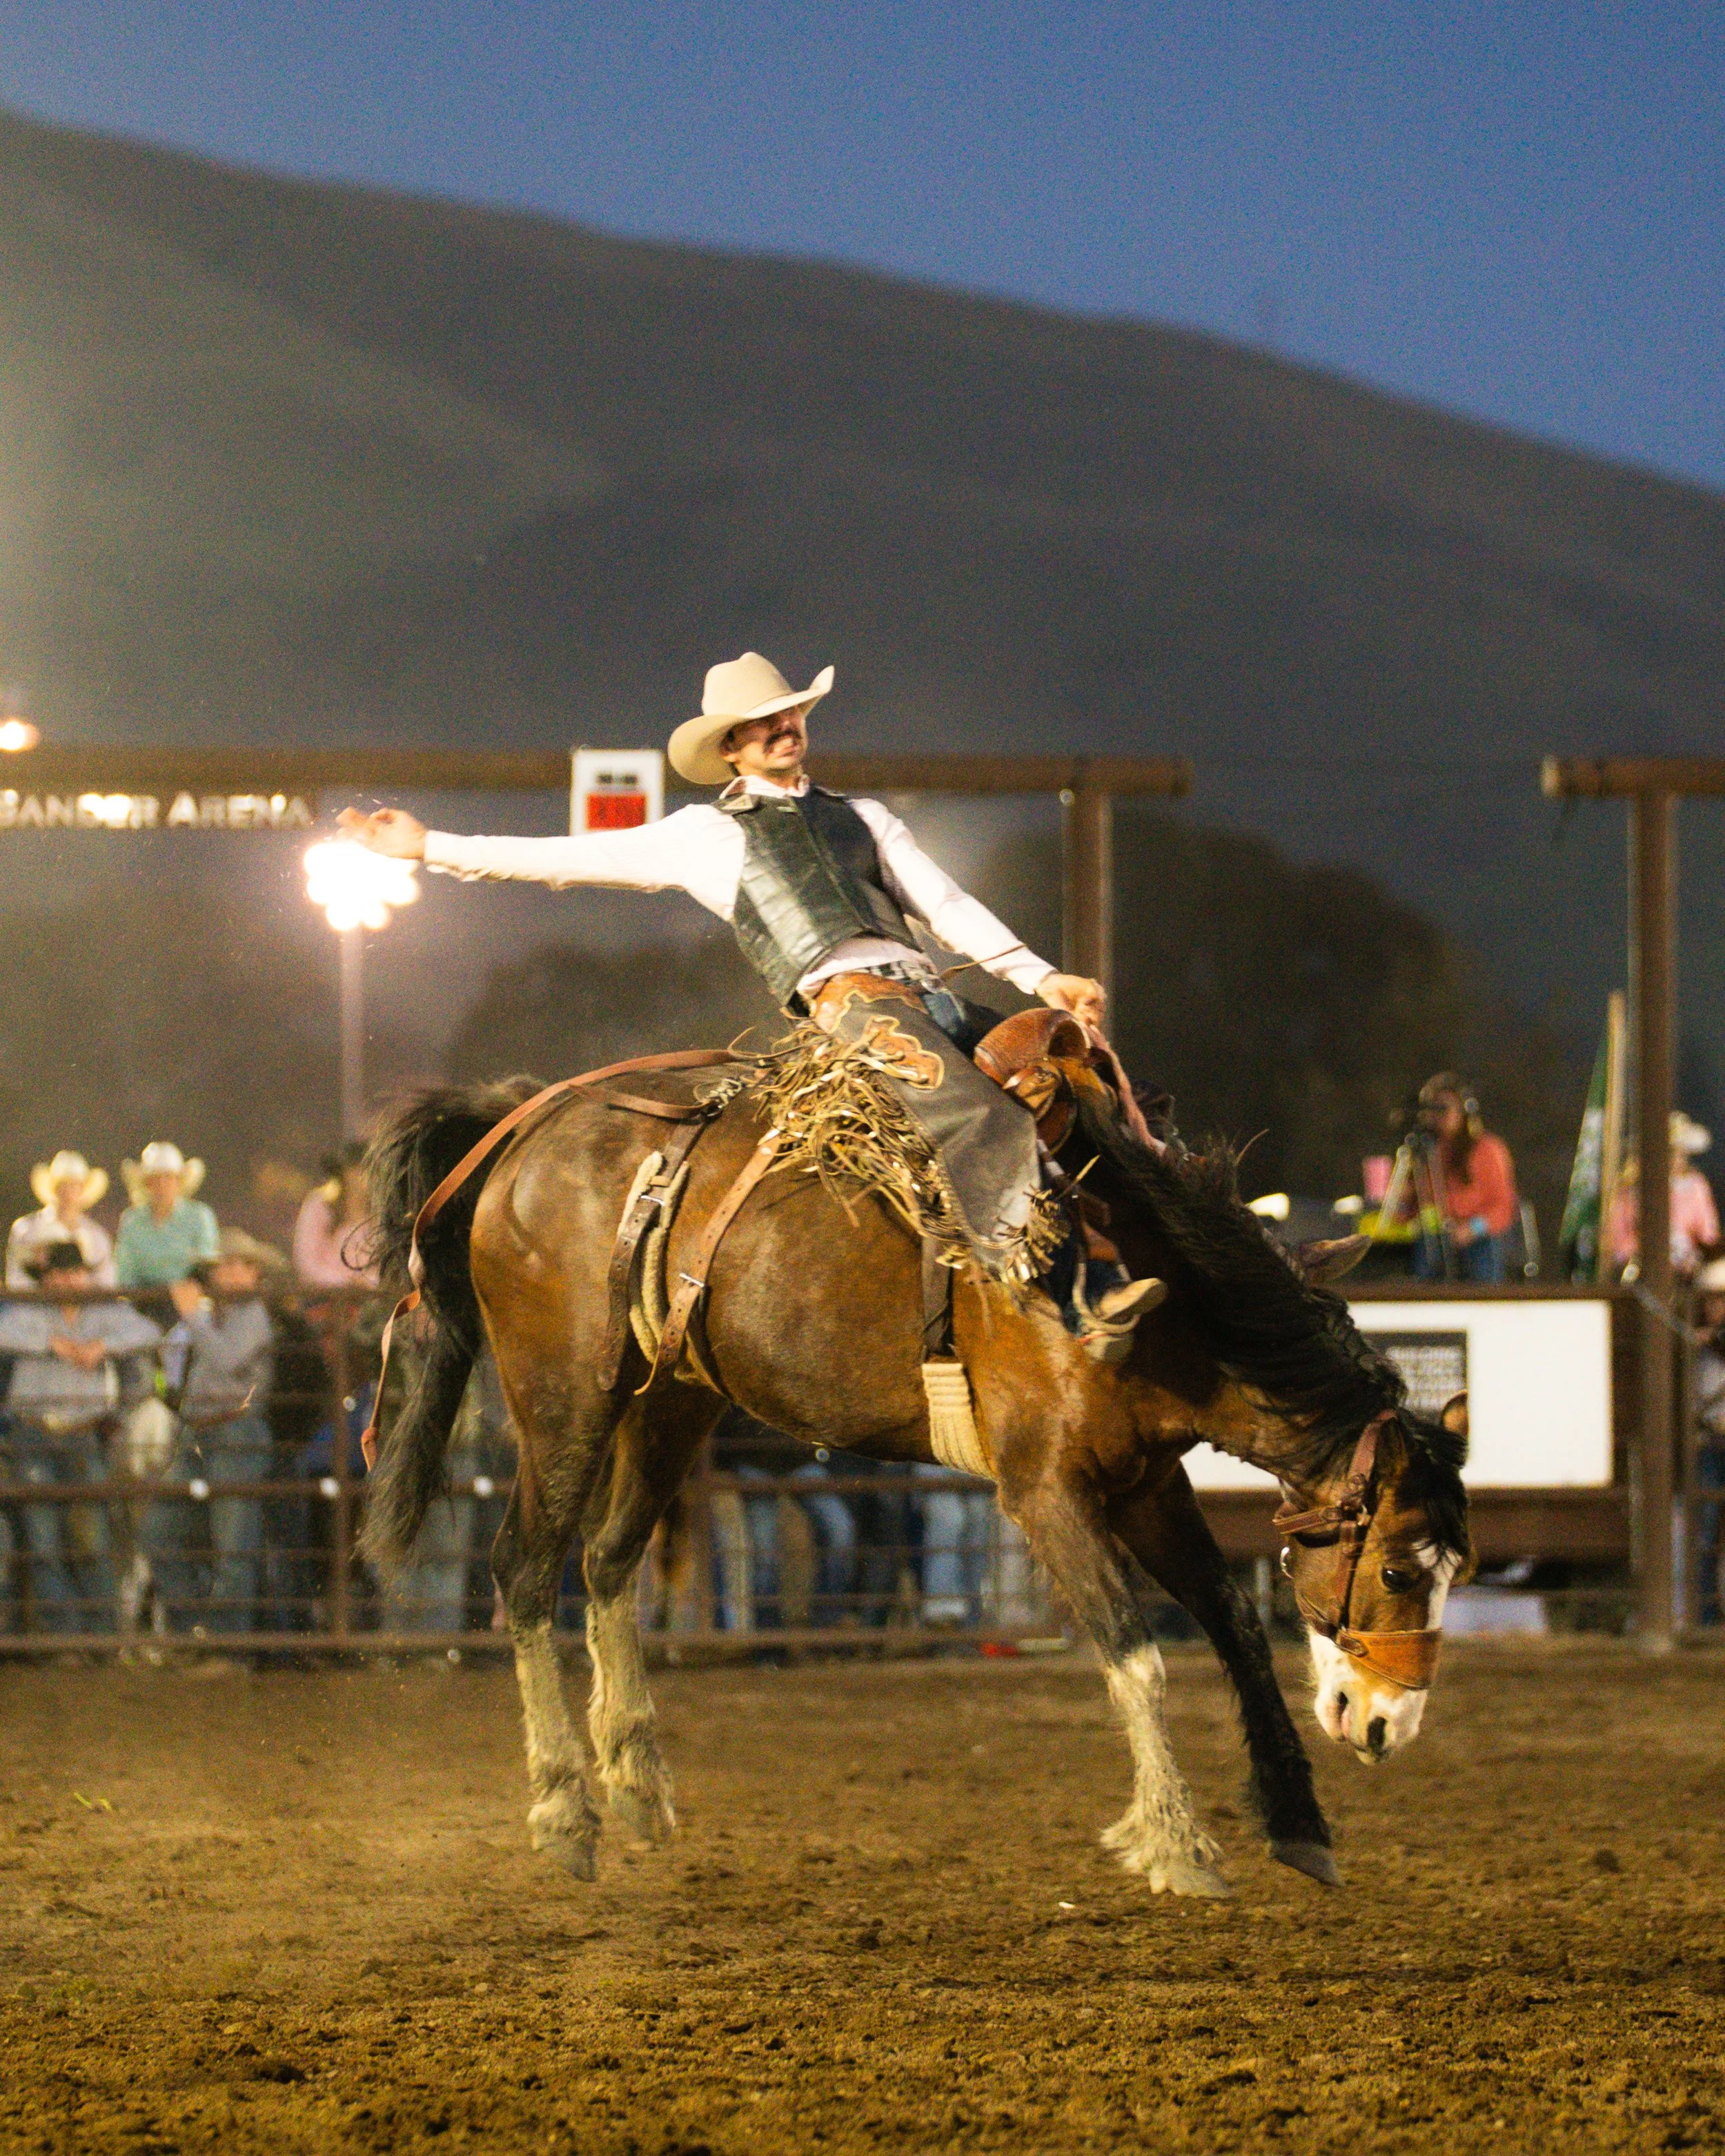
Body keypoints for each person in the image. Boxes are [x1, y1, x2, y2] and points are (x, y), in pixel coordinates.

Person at [339, 651, 1164, 1353]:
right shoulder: (704, 836)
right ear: (730, 747)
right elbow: (560, 856)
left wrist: (1040, 978)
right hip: (850, 1009)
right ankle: (1070, 1292)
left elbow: (945, 908)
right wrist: (428, 848)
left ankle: (1174, 1239)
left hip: (926, 991)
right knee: (971, 1112)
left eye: (790, 714)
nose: (784, 729)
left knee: (1081, 1074)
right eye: (764, 723)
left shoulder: (863, 817)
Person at [0, 1242, 160, 1633]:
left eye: (73, 1272)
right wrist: (52, 1345)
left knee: (91, 1538)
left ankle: (99, 1633)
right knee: (45, 1540)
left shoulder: (105, 1310)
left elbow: (149, 1331)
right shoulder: (27, 1309)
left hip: (81, 1433)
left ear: (85, 1276)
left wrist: (103, 1346)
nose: (67, 1279)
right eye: (59, 1272)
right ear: (47, 1278)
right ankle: (72, 1635)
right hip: (34, 1430)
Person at [146, 1229, 280, 1636]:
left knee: (232, 1544)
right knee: (161, 1532)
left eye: (241, 1264)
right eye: (225, 1264)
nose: (231, 1272)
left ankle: (224, 1642)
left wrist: (192, 1317)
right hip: (206, 1431)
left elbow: (224, 1360)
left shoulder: (251, 1314)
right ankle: (199, 1632)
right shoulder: (221, 1315)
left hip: (234, 1430)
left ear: (255, 1273)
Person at [1402, 1074, 1519, 1284]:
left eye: (1445, 1108)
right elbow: (1414, 1205)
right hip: (1437, 1237)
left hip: (1480, 1237)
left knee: (1483, 1250)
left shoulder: (1486, 1149)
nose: (1440, 1115)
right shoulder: (1427, 1152)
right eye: (1434, 1109)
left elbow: (1503, 1207)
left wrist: (1473, 1228)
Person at [1607, 1113, 1721, 1281]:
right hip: (1643, 1265)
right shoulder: (1632, 1188)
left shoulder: (1695, 1185)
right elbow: (1618, 1237)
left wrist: (1691, 1249)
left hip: (1688, 1265)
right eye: (1669, 1151)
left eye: (1679, 1152)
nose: (1676, 1158)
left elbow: (1708, 1232)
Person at [115, 1143, 219, 1291]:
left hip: (188, 1300)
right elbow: (125, 1271)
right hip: (142, 1300)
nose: (162, 1184)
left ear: (179, 1181)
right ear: (146, 1183)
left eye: (168, 1178)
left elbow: (205, 1264)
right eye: (155, 1179)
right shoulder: (131, 1220)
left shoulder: (199, 1216)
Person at [5, 1151, 116, 1288]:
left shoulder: (98, 1236)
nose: (69, 1193)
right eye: (63, 1186)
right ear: (54, 1189)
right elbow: (16, 1279)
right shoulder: (25, 1229)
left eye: (75, 1186)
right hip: (34, 1306)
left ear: (83, 1190)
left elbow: (106, 1284)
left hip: (86, 1307)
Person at [293, 1140, 379, 1292]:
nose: (361, 1178)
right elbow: (307, 1263)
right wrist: (344, 1283)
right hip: (325, 1297)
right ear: (343, 1174)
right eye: (356, 1170)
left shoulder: (380, 1212)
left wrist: (370, 1283)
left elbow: (387, 1264)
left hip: (372, 1298)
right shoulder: (320, 1205)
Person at [1693, 1256, 1725, 1626]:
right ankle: (1706, 1616)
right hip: (1711, 1442)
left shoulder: (1709, 1339)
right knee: (1705, 1531)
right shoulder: (1697, 1337)